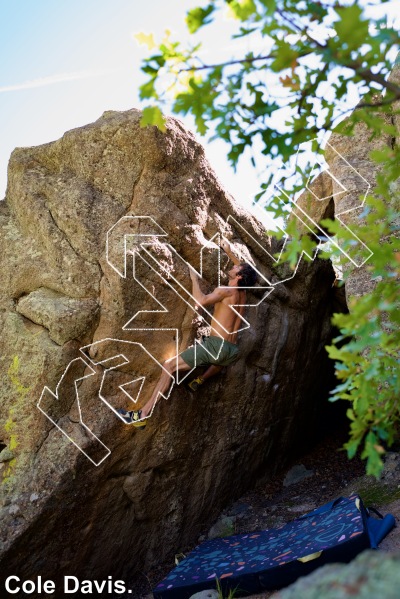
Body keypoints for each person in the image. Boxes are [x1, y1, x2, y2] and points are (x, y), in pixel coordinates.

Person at [118, 240, 257, 428]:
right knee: (217, 362)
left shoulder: (225, 291)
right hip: (231, 350)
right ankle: (199, 380)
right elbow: (243, 270)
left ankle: (142, 414)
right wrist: (229, 251)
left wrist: (194, 279)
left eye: (236, 267)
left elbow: (200, 301)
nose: (233, 265)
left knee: (169, 366)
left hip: (216, 346)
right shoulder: (242, 293)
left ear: (239, 276)